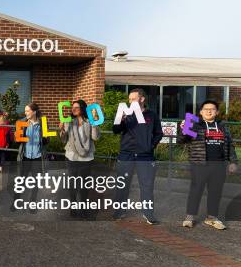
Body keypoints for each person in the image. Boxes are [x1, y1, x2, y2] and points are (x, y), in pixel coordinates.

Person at [178, 100, 238, 230]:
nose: (209, 111)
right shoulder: (195, 125)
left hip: (219, 165)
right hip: (199, 164)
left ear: (216, 112)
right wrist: (184, 129)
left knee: (215, 192)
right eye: (206, 109)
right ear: (201, 112)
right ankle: (190, 217)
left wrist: (233, 162)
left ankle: (212, 218)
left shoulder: (222, 126)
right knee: (196, 191)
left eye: (212, 109)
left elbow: (230, 146)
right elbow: (182, 140)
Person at [112, 88, 163, 224]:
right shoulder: (125, 113)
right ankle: (119, 211)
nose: (130, 101)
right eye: (129, 99)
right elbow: (115, 130)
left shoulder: (152, 115)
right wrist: (120, 120)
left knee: (147, 186)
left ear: (142, 99)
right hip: (126, 155)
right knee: (122, 185)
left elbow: (159, 133)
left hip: (145, 157)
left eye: (133, 99)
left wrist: (150, 146)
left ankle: (148, 214)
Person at [59, 100, 101, 219]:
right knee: (73, 184)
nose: (74, 109)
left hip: (86, 158)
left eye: (77, 107)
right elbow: (63, 140)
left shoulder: (89, 121)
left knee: (84, 185)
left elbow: (95, 137)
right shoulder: (69, 121)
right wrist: (61, 130)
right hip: (71, 156)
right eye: (73, 107)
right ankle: (73, 207)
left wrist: (94, 123)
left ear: (82, 108)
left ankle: (83, 208)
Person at [16, 103, 46, 209]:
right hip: (25, 157)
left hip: (37, 157)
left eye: (27, 111)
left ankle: (33, 204)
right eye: (25, 111)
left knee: (35, 182)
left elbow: (46, 141)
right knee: (21, 181)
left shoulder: (43, 123)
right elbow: (18, 140)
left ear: (34, 112)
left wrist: (44, 137)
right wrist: (17, 136)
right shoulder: (23, 122)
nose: (25, 113)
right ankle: (16, 201)